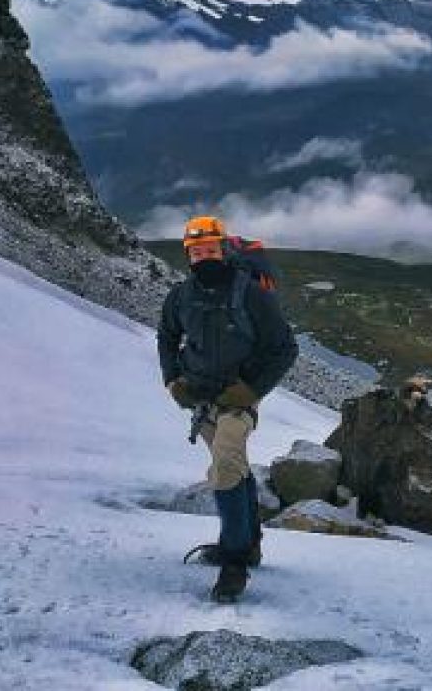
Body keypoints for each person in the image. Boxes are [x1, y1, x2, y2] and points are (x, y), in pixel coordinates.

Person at [157, 214, 299, 602]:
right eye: (197, 251)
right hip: (201, 400)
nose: (205, 257)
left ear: (224, 250)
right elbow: (167, 336)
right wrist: (172, 379)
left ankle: (233, 561)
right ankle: (249, 543)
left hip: (238, 399)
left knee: (223, 465)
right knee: (232, 467)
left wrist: (252, 389)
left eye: (210, 249)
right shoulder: (181, 296)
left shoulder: (250, 293)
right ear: (188, 255)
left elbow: (285, 348)